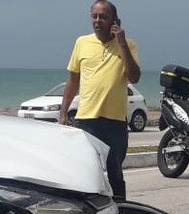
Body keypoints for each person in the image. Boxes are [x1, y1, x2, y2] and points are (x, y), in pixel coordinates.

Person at [60, 0, 141, 199]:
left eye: (103, 17)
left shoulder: (128, 44)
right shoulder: (82, 42)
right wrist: (63, 113)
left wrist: (121, 43)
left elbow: (134, 77)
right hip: (87, 121)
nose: (98, 21)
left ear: (114, 20)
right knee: (88, 174)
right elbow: (73, 80)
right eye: (94, 16)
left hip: (115, 122)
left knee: (115, 174)